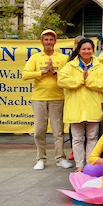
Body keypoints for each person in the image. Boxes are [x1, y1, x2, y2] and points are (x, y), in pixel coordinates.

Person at [58, 38, 103, 172]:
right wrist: (81, 79)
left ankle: (90, 164)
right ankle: (79, 165)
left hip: (93, 107)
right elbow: (62, 81)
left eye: (89, 49)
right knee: (77, 138)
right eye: (84, 49)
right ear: (79, 50)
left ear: (93, 50)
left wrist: (88, 80)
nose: (86, 51)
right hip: (75, 108)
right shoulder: (70, 65)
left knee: (92, 138)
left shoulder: (99, 65)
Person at [22, 29, 72, 170]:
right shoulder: (35, 58)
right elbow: (25, 74)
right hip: (39, 98)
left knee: (58, 131)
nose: (48, 42)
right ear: (42, 41)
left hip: (57, 98)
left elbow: (68, 76)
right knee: (39, 130)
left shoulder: (63, 58)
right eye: (46, 40)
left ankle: (60, 158)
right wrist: (42, 72)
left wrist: (55, 73)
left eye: (51, 40)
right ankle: (41, 158)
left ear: (55, 42)